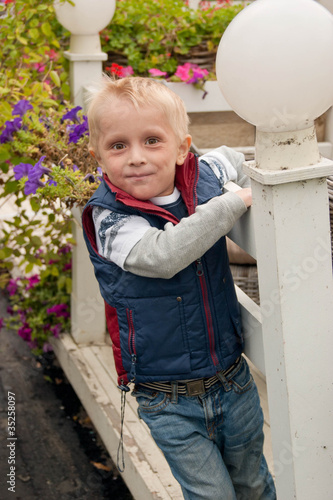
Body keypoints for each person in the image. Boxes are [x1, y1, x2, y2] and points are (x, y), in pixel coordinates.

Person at [82, 75, 276, 500]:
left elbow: (230, 156)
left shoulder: (201, 176)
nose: (135, 158)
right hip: (167, 400)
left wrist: (254, 176)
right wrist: (231, 203)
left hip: (233, 380)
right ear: (98, 156)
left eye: (152, 141)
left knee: (255, 485)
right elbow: (163, 255)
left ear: (182, 147)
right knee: (212, 496)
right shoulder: (110, 219)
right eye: (118, 146)